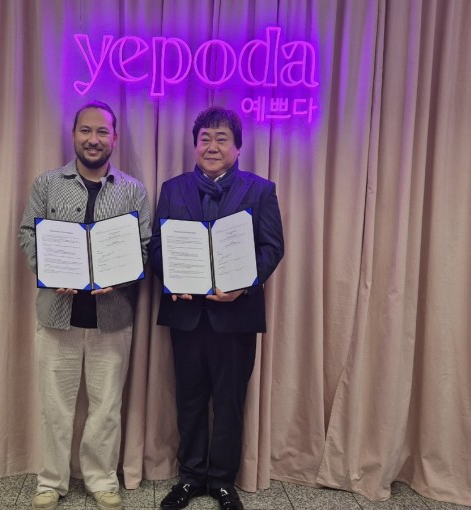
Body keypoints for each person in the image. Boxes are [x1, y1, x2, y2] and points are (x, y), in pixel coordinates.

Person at [149, 107, 284, 510]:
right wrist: (173, 277)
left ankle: (223, 481)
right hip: (187, 315)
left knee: (229, 402)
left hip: (236, 317)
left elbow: (272, 247)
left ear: (237, 147)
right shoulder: (172, 189)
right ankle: (191, 477)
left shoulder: (260, 190)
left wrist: (242, 285)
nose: (212, 146)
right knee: (189, 400)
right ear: (195, 145)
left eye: (222, 139)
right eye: (204, 138)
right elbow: (157, 244)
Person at [19, 101, 151, 510]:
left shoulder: (133, 190)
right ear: (74, 134)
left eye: (102, 132)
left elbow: (144, 246)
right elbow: (27, 234)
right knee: (55, 408)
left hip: (112, 320)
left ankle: (101, 479)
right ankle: (51, 481)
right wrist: (48, 270)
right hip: (57, 317)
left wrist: (122, 276)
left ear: (115, 138)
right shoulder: (46, 184)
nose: (94, 139)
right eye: (86, 131)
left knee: (106, 408)